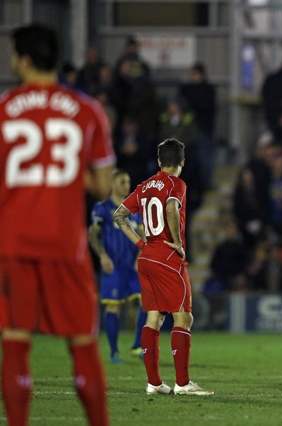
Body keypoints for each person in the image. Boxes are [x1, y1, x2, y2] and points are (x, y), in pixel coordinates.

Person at [0, 24, 113, 425]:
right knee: (82, 344)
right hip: (66, 243)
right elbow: (102, 186)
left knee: (15, 342)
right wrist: (64, 171)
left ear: (25, 60)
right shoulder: (86, 110)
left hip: (12, 242)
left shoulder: (3, 108)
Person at [113, 138, 213, 396]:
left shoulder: (144, 185)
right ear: (182, 161)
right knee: (183, 316)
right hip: (168, 257)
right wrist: (178, 243)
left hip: (146, 257)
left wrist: (139, 243)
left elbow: (119, 215)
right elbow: (170, 207)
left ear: (159, 161)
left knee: (154, 317)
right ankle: (182, 383)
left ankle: (154, 383)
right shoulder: (176, 184)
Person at [89, 169, 148, 364]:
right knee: (113, 306)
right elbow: (93, 235)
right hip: (112, 267)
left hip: (131, 267)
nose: (126, 186)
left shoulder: (134, 210)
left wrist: (141, 255)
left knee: (146, 302)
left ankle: (138, 346)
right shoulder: (102, 208)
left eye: (128, 182)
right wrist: (103, 256)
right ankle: (114, 352)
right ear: (113, 183)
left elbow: (143, 234)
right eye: (122, 182)